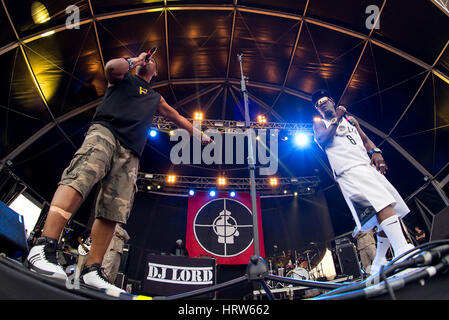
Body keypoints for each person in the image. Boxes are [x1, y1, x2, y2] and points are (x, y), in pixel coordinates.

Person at [25, 51, 211, 292]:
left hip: (131, 151)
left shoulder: (155, 97)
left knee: (114, 209)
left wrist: (201, 135)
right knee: (79, 179)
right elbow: (111, 67)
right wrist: (136, 59)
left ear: (156, 73)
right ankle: (44, 246)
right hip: (105, 132)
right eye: (148, 59)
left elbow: (176, 117)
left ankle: (93, 269)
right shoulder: (123, 77)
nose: (149, 61)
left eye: (153, 62)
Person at [312, 89, 414, 276]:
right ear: (317, 110)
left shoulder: (351, 121)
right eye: (318, 103)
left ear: (332, 101)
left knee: (390, 211)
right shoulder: (320, 124)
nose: (322, 104)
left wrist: (376, 151)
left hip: (366, 166)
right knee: (383, 205)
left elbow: (365, 140)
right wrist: (338, 117)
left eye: (325, 100)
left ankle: (380, 261)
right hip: (349, 170)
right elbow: (323, 140)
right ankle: (402, 251)